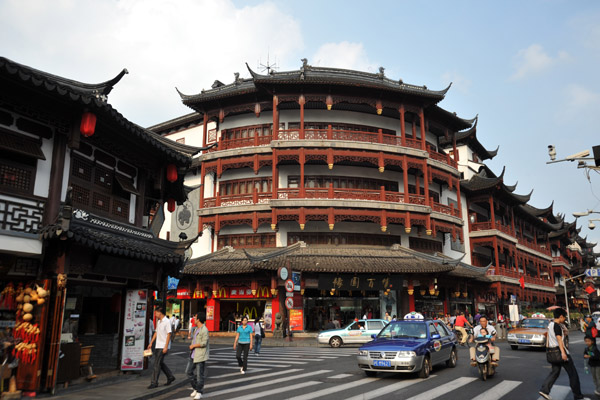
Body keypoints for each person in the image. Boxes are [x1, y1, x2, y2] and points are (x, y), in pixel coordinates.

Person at [539, 308, 590, 400]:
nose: (564, 319)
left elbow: (551, 339)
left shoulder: (550, 325)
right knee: (573, 374)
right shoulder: (557, 326)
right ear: (561, 316)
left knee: (555, 372)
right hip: (560, 353)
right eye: (564, 317)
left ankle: (544, 390)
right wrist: (563, 353)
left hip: (552, 353)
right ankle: (578, 396)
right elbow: (559, 340)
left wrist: (564, 332)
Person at [147, 307, 175, 389]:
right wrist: (151, 343)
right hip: (157, 345)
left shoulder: (167, 322)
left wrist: (166, 346)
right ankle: (170, 376)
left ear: (160, 313)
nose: (155, 314)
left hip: (163, 346)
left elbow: (169, 334)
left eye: (156, 313)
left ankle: (154, 382)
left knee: (156, 364)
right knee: (160, 363)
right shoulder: (159, 322)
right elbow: (156, 332)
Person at [187, 313, 209, 400]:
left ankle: (199, 391)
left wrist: (194, 346)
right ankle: (196, 388)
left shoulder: (204, 330)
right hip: (193, 354)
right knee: (188, 372)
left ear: (198, 319)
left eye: (195, 318)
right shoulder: (196, 329)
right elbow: (194, 340)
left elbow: (204, 343)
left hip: (200, 355)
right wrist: (192, 346)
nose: (194, 319)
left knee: (200, 375)